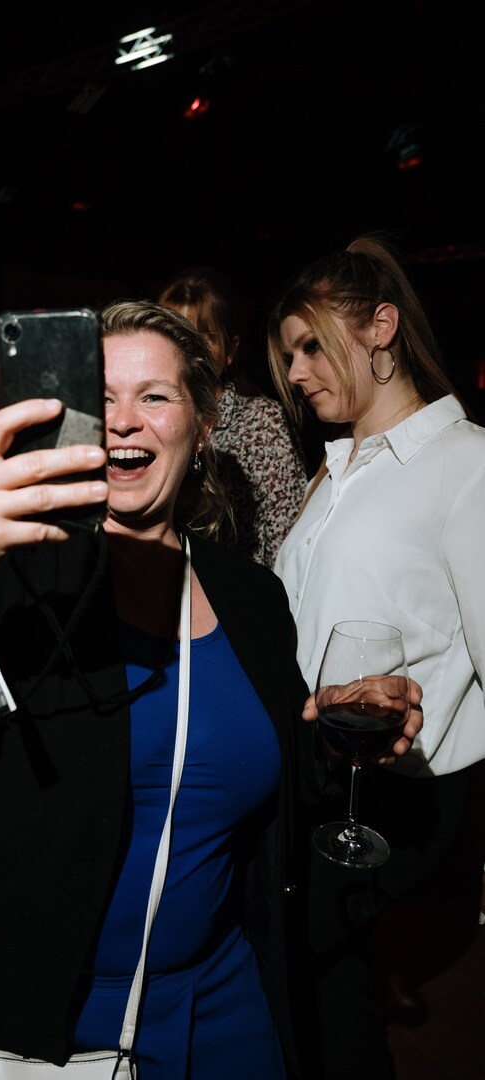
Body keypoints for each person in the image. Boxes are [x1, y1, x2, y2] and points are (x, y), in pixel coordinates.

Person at [0, 301, 422, 1080]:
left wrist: (332, 737)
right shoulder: (14, 578)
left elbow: (273, 778)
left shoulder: (251, 597)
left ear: (203, 427)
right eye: (100, 398)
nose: (123, 421)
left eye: (154, 396)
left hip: (220, 994)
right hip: (34, 1016)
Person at [267, 232, 485, 1079]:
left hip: (393, 790)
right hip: (310, 769)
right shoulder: (338, 467)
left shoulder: (465, 464)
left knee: (324, 985)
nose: (296, 373)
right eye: (289, 354)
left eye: (312, 347)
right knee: (312, 982)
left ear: (381, 328)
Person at [157, 265, 307, 567]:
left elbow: (286, 533)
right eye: (174, 336)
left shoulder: (261, 421)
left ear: (229, 350)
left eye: (204, 336)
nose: (188, 349)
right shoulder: (145, 420)